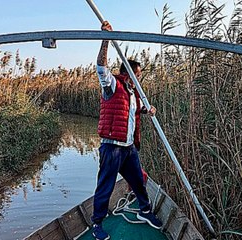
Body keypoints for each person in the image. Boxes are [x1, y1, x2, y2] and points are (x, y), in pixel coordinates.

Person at [91, 21, 163, 240]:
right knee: (105, 187)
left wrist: (148, 109)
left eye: (140, 75)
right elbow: (101, 68)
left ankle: (144, 211)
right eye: (137, 74)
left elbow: (136, 111)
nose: (139, 78)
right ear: (126, 73)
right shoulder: (113, 85)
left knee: (138, 182)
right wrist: (106, 39)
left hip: (129, 149)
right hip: (112, 148)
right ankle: (96, 224)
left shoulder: (134, 93)